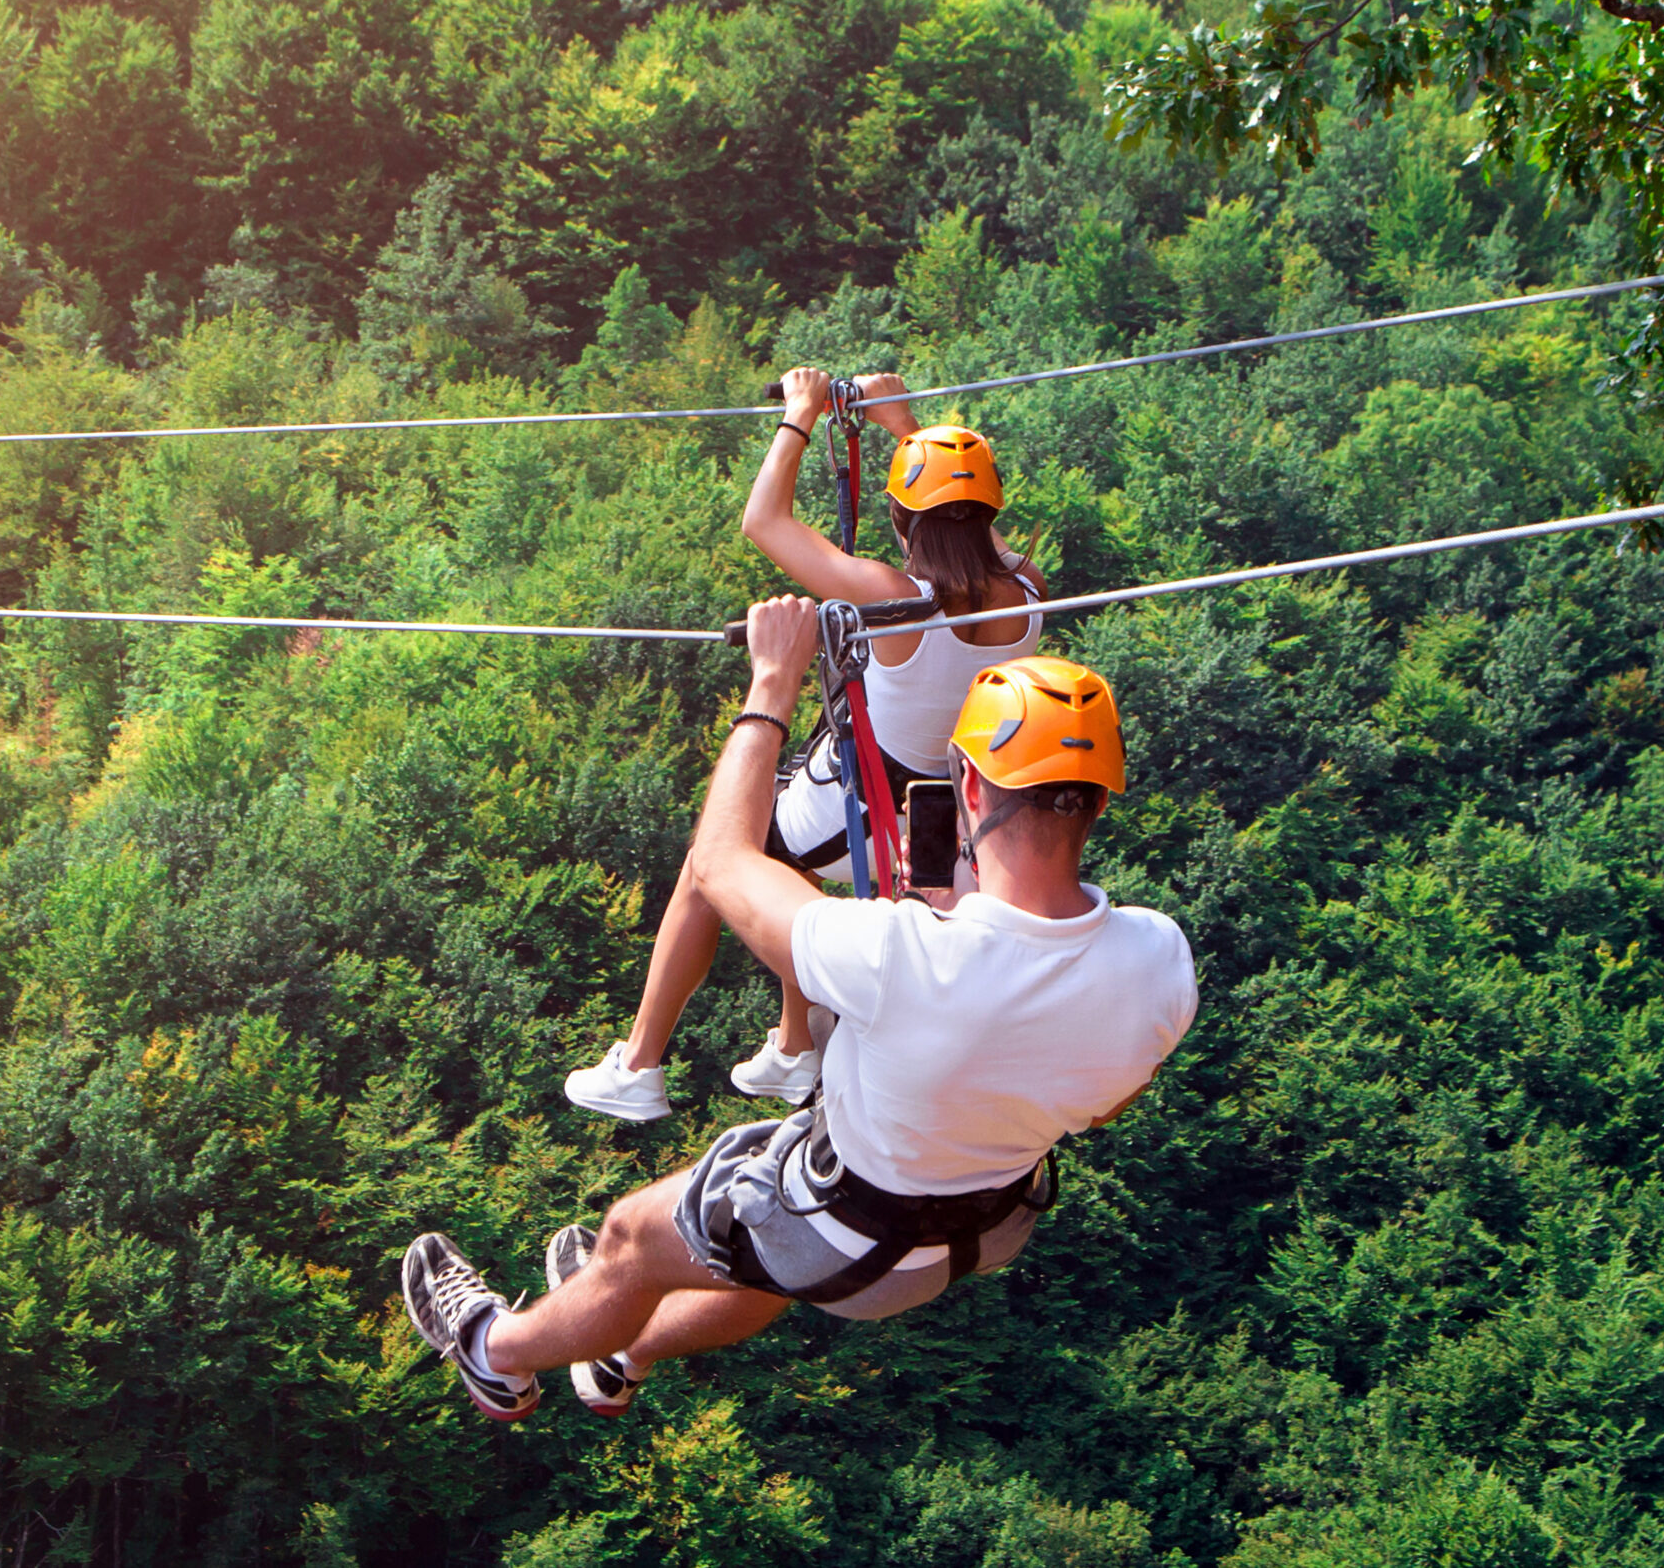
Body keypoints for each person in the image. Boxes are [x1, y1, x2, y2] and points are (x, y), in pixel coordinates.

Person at [404, 599, 1196, 1422]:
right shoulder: (1160, 961)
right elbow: (1105, 1102)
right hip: (980, 1229)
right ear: (1100, 801)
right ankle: (621, 1355)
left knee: (630, 1240)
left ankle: (493, 1353)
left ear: (967, 782)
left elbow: (719, 862)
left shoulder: (898, 953)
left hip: (847, 1230)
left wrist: (773, 682)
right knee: (761, 1255)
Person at [564, 368, 1049, 1122]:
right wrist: (903, 426)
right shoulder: (1029, 592)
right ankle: (796, 1046)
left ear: (900, 516)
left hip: (865, 803)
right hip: (943, 816)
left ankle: (639, 1062)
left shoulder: (892, 597)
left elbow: (764, 521)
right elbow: (971, 526)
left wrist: (799, 414)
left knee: (711, 861)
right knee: (791, 859)